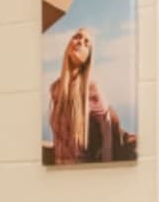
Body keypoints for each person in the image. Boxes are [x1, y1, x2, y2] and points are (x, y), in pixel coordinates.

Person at [47, 26, 112, 165]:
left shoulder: (92, 88)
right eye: (77, 37)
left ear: (88, 57)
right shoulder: (55, 88)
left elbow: (107, 137)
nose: (80, 42)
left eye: (86, 43)